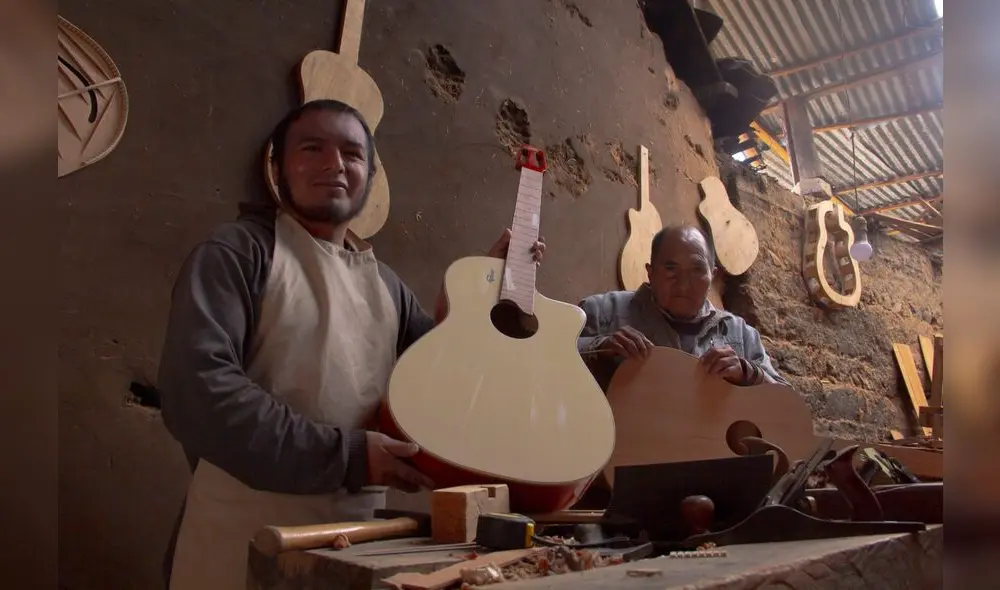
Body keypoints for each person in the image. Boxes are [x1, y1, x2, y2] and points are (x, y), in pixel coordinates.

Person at [156, 99, 546, 590]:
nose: (334, 164)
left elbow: (451, 382)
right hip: (242, 533)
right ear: (277, 169)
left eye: (352, 153)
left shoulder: (386, 286)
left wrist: (491, 287)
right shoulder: (237, 254)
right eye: (312, 148)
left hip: (357, 544)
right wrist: (352, 457)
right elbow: (199, 395)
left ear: (370, 174)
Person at [577, 223, 787, 390]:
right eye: (671, 269)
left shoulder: (740, 334)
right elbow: (547, 356)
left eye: (697, 270)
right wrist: (600, 346)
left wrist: (747, 372)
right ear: (650, 272)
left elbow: (786, 405)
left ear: (712, 276)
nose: (684, 285)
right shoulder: (602, 312)